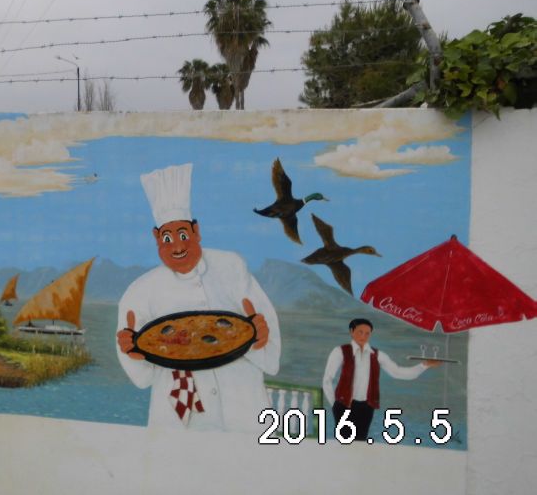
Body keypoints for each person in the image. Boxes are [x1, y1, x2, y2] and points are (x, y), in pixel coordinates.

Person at [116, 163, 281, 432]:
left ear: (197, 230)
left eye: (183, 235)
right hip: (178, 417)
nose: (177, 246)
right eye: (167, 238)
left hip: (241, 403)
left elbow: (266, 329)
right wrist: (129, 351)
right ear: (156, 238)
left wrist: (262, 334)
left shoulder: (232, 266)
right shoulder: (140, 291)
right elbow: (141, 377)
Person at [322, 318, 440, 441]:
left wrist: (424, 365)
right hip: (344, 405)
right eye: (360, 332)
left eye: (367, 333)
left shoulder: (377, 355)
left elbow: (397, 372)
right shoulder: (340, 351)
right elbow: (327, 380)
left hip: (366, 407)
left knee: (361, 443)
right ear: (351, 331)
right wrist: (335, 404)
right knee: (344, 443)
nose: (363, 336)